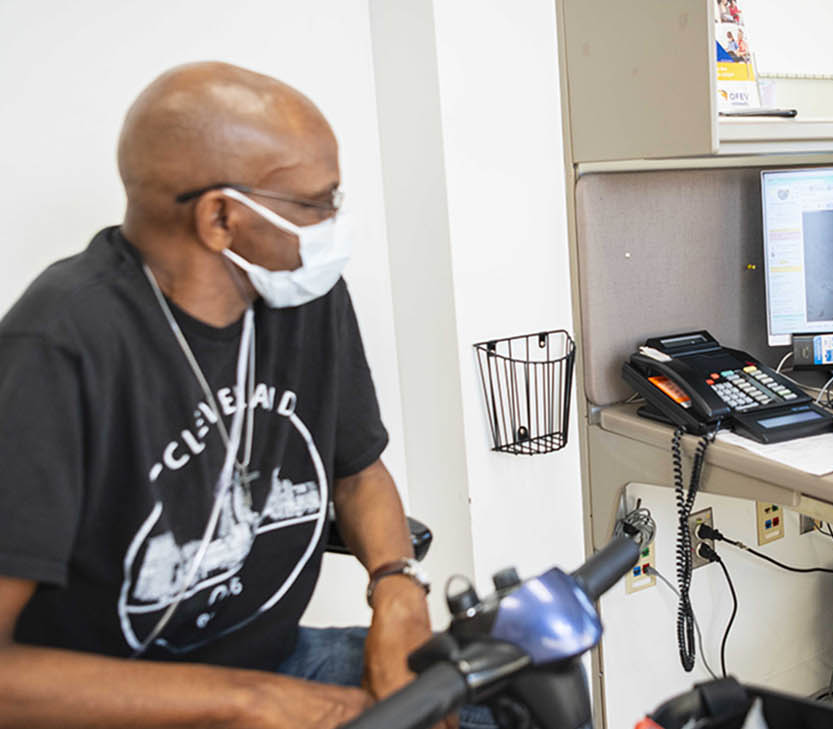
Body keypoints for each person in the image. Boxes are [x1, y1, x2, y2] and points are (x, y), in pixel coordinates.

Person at [0, 62, 482, 729]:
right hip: (115, 704)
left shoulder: (302, 291)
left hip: (271, 660)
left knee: (514, 680)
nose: (333, 223)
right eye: (318, 202)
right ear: (221, 217)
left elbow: (358, 472)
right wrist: (254, 703)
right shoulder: (59, 346)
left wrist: (399, 589)